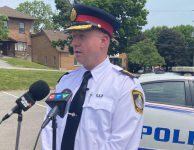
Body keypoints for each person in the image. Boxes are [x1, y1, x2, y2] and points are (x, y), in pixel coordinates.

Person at [42, 4, 145, 150]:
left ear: (103, 41)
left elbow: (121, 143)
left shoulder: (125, 86)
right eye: (73, 36)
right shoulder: (66, 81)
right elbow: (50, 126)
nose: (74, 42)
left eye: (82, 36)